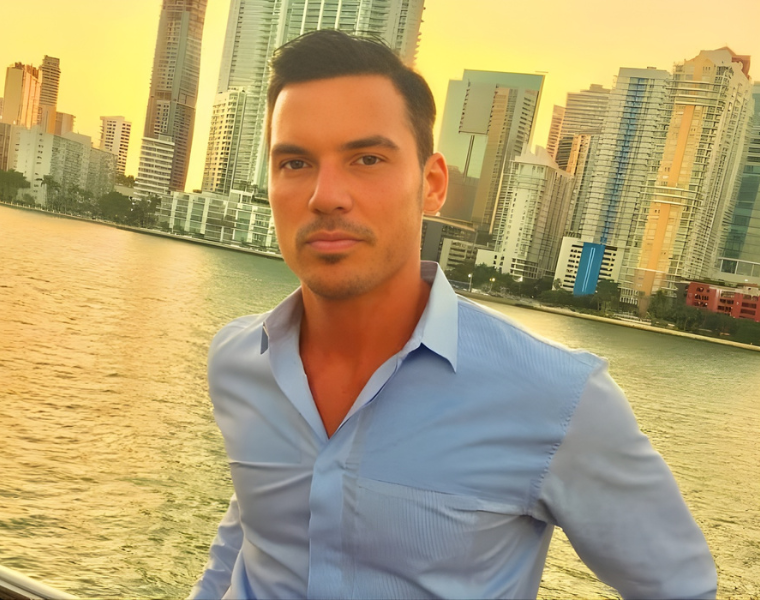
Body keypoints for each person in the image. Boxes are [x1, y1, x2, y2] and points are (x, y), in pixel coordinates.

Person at [189, 29, 716, 600]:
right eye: (295, 163)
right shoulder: (238, 361)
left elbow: (679, 588)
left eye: (367, 158)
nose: (326, 195)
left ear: (433, 184)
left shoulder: (557, 398)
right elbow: (250, 530)